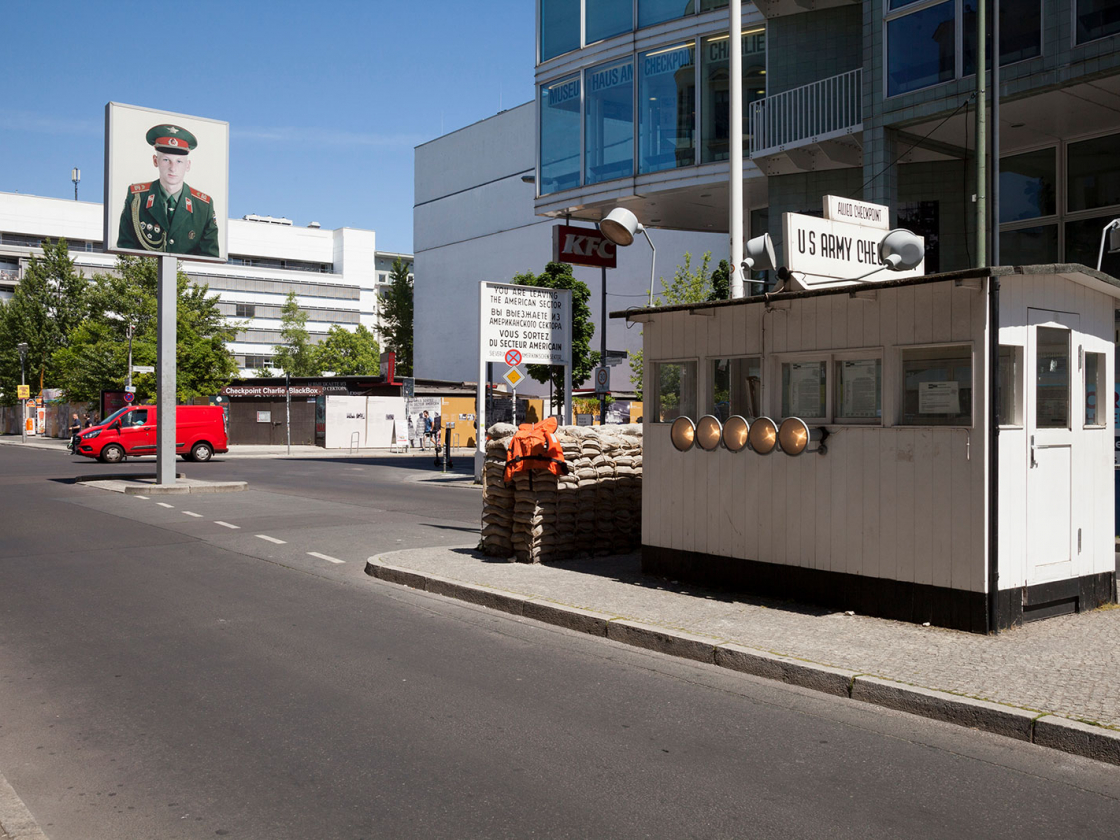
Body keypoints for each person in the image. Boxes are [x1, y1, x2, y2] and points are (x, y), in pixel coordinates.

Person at [116, 123, 220, 258]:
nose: (173, 168)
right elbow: (126, 251)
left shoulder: (203, 206)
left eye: (179, 161)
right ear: (155, 161)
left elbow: (210, 259)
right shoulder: (137, 198)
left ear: (187, 165)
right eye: (166, 160)